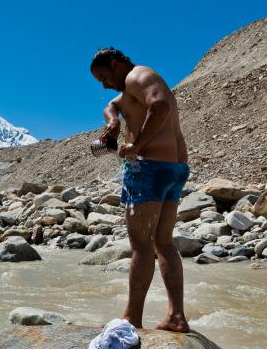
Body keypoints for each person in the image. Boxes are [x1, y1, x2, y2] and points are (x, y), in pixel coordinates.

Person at [90, 47, 190, 333]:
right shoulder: (140, 82)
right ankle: (176, 317)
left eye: (103, 77)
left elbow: (160, 107)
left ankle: (132, 318)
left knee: (142, 246)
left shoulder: (137, 76)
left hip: (148, 169)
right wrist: (113, 121)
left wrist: (137, 145)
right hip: (174, 169)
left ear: (115, 64)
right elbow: (113, 104)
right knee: (164, 243)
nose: (104, 84)